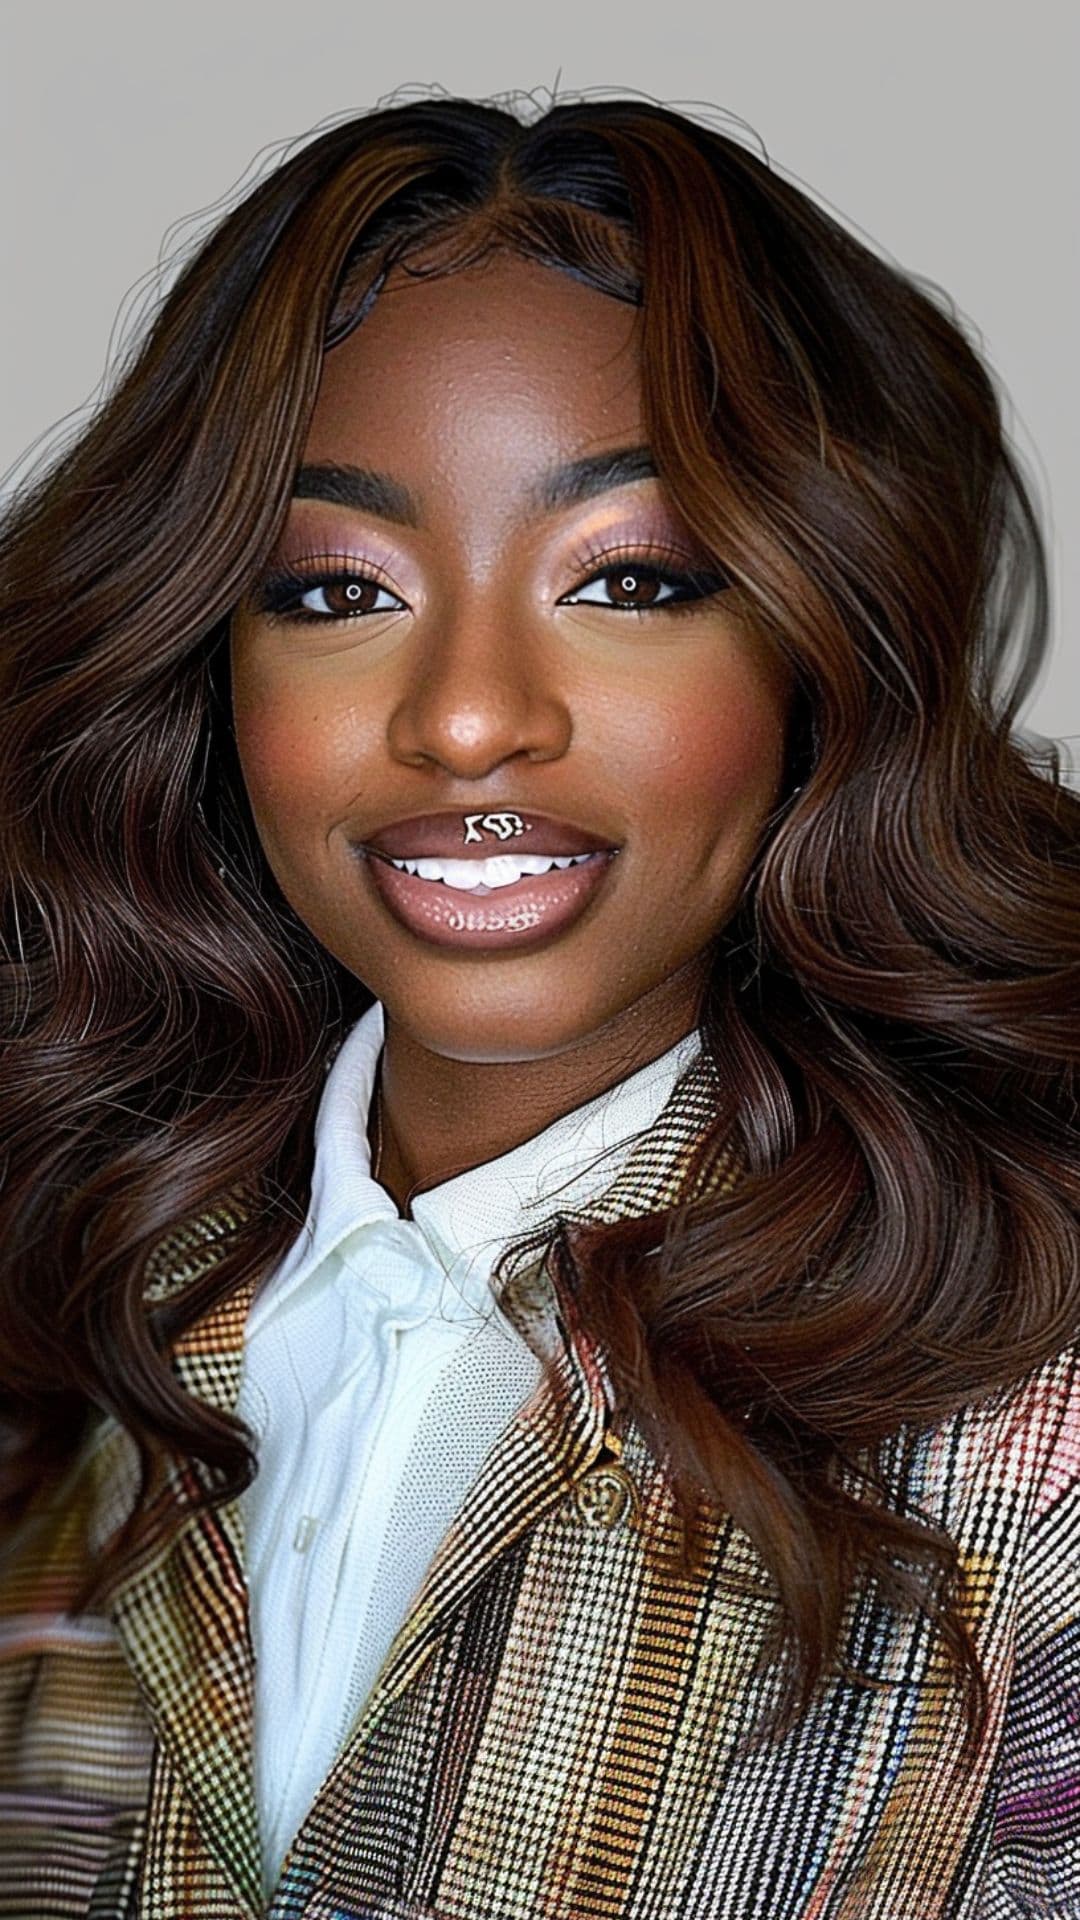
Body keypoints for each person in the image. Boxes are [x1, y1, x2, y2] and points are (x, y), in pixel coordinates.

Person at [0, 90, 1076, 1920]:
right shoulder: (80, 1320)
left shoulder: (1027, 1414)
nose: (471, 713)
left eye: (631, 582)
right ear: (208, 661)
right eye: (339, 589)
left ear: (825, 649)